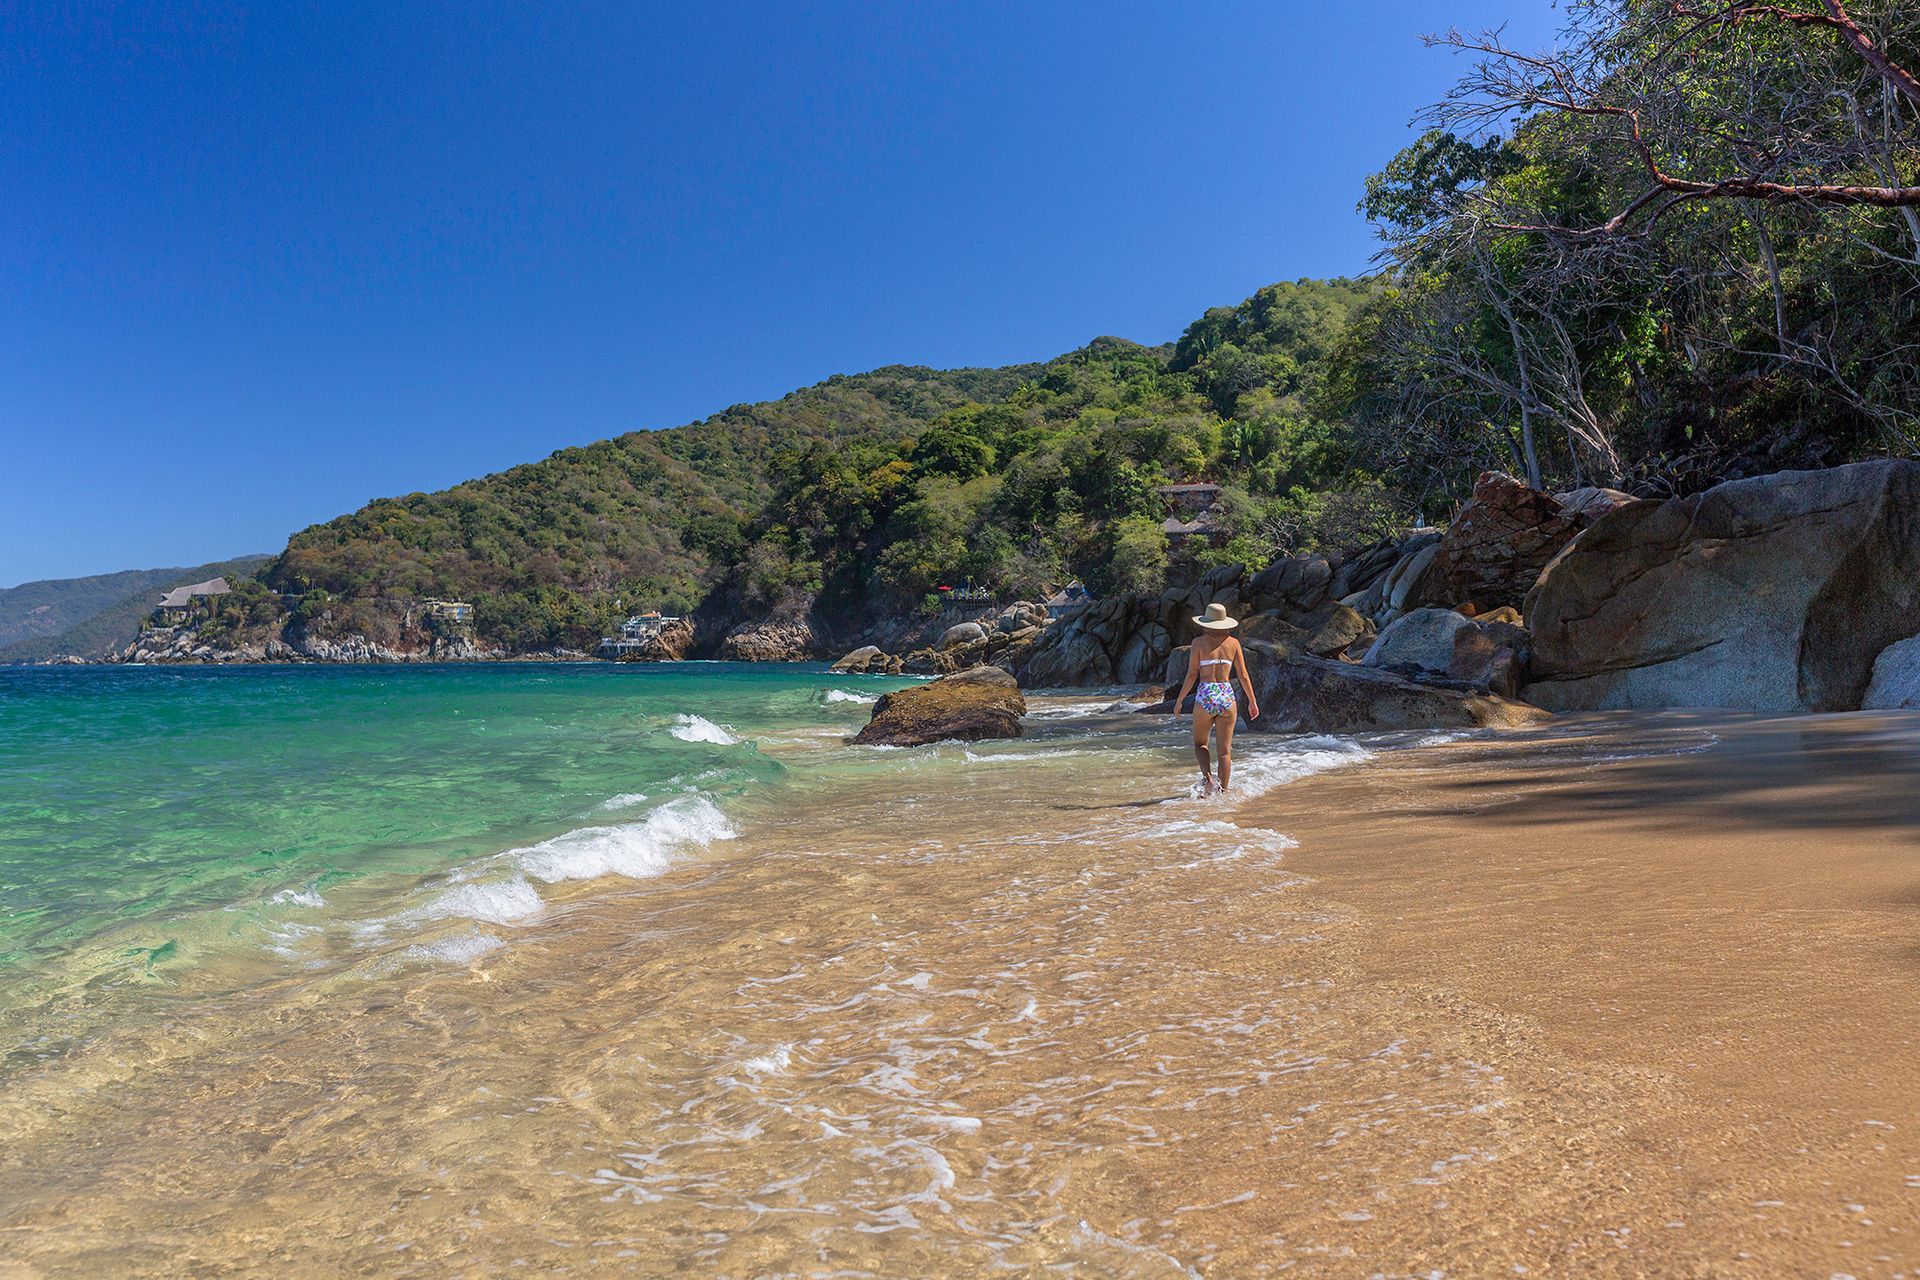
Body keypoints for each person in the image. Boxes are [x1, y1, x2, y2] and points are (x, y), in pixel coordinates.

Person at [1173, 602, 1260, 795]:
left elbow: (1191, 675)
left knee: (1200, 743)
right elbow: (1244, 675)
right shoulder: (1234, 643)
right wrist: (1252, 701)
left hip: (1205, 695)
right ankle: (1224, 793)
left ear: (1206, 622)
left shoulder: (1198, 643)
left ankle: (1209, 779)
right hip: (1226, 695)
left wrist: (1179, 700)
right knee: (1225, 752)